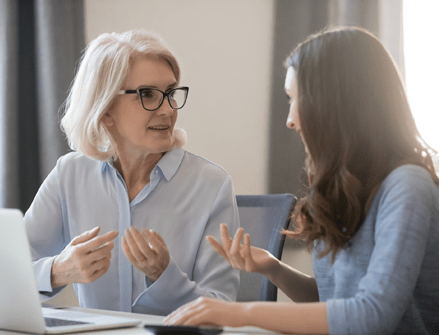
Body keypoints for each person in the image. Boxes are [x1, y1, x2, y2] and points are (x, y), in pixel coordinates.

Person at [164, 26, 439, 334]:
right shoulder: (347, 186)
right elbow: (334, 302)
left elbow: (370, 317)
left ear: (337, 103)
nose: (290, 119)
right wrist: (273, 268)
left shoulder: (408, 186)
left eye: (297, 98)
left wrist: (239, 312)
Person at [24, 29, 240, 316]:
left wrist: (165, 277)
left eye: (170, 93)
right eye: (148, 94)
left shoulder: (212, 185)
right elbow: (7, 272)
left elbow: (222, 309)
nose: (167, 110)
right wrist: (58, 271)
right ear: (105, 109)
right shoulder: (69, 174)